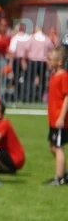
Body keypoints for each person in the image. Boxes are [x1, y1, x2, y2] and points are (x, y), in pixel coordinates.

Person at [46, 47, 66, 185]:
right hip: (53, 118)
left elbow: (66, 97)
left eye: (50, 59)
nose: (48, 62)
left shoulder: (63, 76)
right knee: (52, 146)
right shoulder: (54, 75)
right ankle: (63, 174)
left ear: (59, 62)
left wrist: (61, 117)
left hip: (60, 119)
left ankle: (59, 177)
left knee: (58, 147)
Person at [0, 103, 25, 174]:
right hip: (9, 154)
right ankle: (4, 169)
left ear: (0, 113)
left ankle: (8, 170)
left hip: (15, 157)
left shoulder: (4, 123)